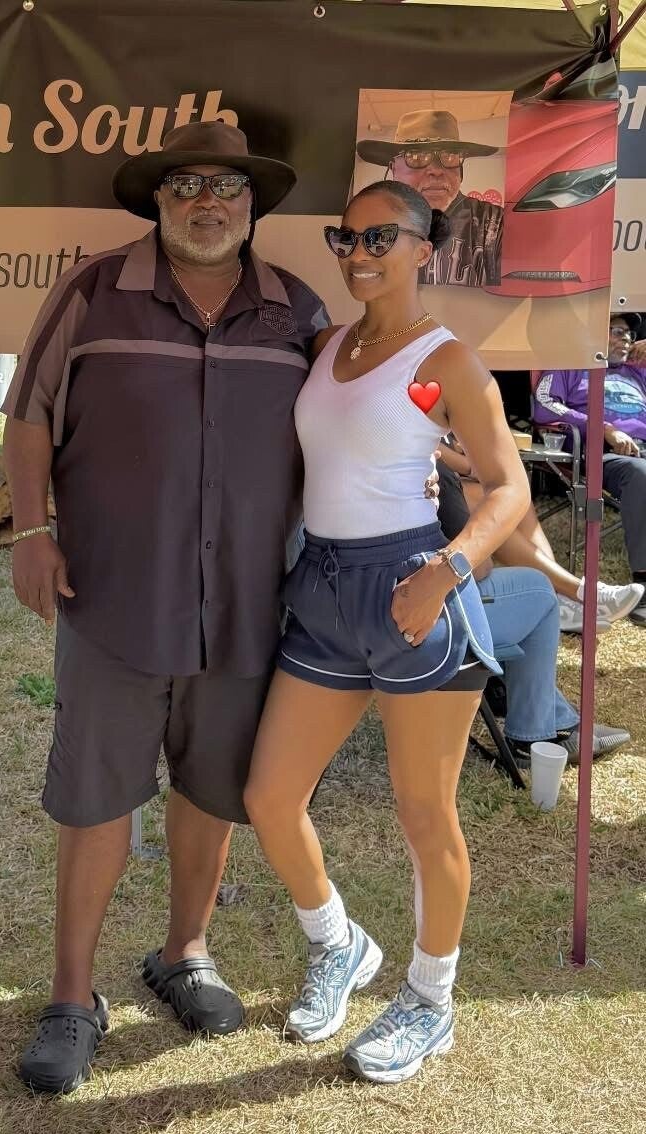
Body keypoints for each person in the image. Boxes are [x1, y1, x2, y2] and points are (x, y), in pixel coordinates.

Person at [3, 120, 330, 1094]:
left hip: (246, 606)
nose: (206, 203)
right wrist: (30, 530)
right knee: (96, 795)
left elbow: (348, 428)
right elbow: (28, 417)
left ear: (253, 204)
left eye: (226, 187)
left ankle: (185, 951)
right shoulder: (92, 293)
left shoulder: (299, 311)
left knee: (212, 788)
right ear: (158, 198)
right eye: (187, 185)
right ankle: (73, 996)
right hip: (111, 596)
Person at [243, 181, 530, 1085]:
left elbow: (509, 487)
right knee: (269, 796)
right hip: (323, 589)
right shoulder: (330, 344)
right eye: (347, 237)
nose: (359, 253)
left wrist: (447, 570)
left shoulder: (448, 361)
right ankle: (338, 941)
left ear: (421, 249)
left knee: (423, 814)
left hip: (411, 588)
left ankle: (430, 1001)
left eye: (380, 238)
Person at [435, 462, 630, 765]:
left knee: (524, 583)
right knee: (538, 591)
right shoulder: (432, 470)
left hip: (372, 609)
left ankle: (559, 720)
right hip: (428, 619)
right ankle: (533, 736)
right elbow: (479, 567)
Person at [436, 441, 643, 633]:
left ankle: (556, 598)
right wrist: (474, 465)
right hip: (433, 484)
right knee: (492, 504)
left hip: (450, 474)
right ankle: (581, 592)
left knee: (515, 494)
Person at [534, 313, 646, 624]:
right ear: (594, 331)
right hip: (604, 454)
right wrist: (604, 428)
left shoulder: (636, 371)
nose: (626, 339)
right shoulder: (570, 364)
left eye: (629, 333)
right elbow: (544, 405)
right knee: (641, 475)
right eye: (617, 331)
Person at [356, 110, 503, 287]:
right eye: (416, 156)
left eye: (449, 156)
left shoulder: (494, 224)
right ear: (394, 169)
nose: (436, 170)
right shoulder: (371, 225)